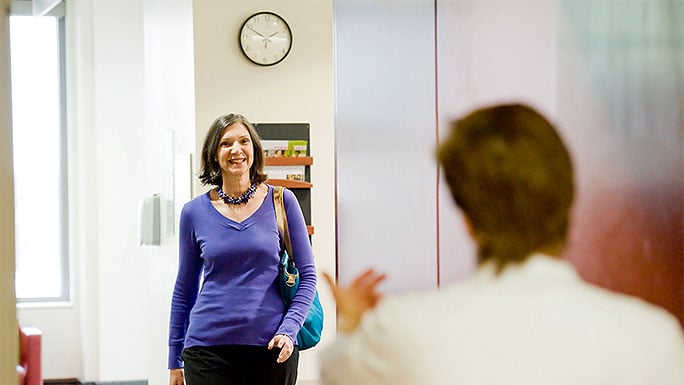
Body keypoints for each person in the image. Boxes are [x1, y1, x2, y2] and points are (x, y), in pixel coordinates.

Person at [320, 103, 684, 385]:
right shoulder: (653, 338)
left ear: (467, 219)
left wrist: (353, 325)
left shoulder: (403, 330)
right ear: (569, 201)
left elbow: (337, 371)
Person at [167, 113, 317, 385]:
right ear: (214, 155)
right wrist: (174, 359)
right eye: (226, 144)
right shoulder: (193, 212)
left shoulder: (282, 201)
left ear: (254, 150)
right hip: (206, 348)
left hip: (271, 346)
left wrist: (290, 329)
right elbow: (184, 289)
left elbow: (308, 277)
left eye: (244, 141)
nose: (236, 150)